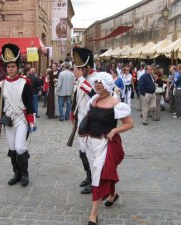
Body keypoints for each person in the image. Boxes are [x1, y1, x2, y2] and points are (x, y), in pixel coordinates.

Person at [82, 72, 133, 225]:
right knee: (101, 173)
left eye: (100, 83)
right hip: (91, 144)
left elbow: (129, 123)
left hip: (105, 144)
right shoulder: (94, 100)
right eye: (96, 82)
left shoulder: (115, 103)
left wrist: (115, 130)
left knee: (98, 177)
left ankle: (93, 215)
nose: (97, 85)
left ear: (107, 85)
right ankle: (112, 195)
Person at [0, 44, 35, 187]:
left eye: (13, 66)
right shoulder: (1, 84)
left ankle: (25, 173)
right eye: (8, 67)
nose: (10, 69)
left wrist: (31, 122)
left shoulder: (26, 82)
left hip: (21, 119)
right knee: (12, 148)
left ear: (17, 67)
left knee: (20, 147)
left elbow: (30, 105)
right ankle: (17, 173)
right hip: (8, 120)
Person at [71, 47, 98, 194]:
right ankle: (89, 177)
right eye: (78, 68)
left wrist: (80, 79)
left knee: (91, 154)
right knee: (82, 152)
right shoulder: (82, 80)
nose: (79, 70)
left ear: (88, 66)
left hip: (92, 122)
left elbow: (94, 95)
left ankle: (95, 182)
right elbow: (77, 98)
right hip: (81, 120)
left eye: (81, 68)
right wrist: (73, 115)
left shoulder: (97, 78)